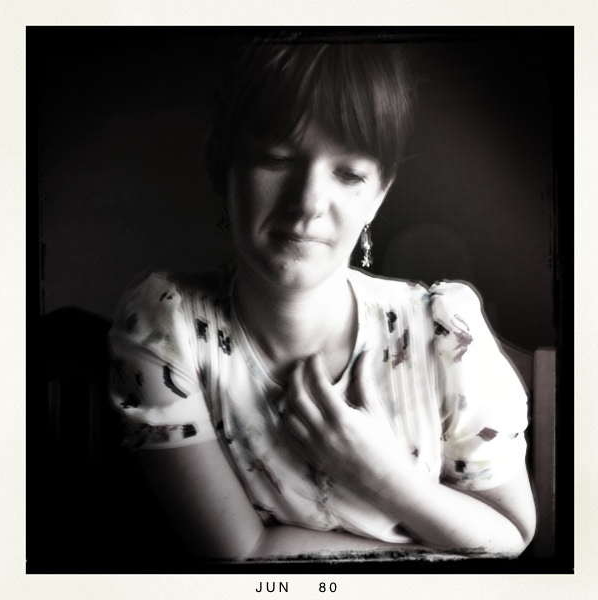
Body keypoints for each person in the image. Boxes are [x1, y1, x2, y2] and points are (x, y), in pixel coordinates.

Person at [108, 41, 536, 561]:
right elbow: (241, 555)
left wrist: (385, 476)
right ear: (224, 165)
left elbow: (512, 535)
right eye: (277, 159)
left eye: (349, 174)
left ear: (378, 195)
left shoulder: (445, 334)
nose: (308, 202)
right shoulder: (166, 329)